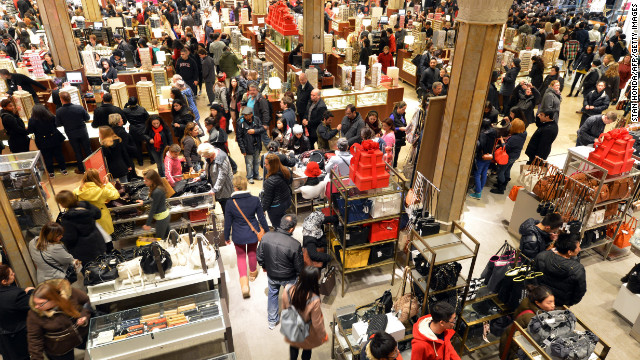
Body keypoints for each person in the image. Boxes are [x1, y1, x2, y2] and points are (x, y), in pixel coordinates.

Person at [224, 176, 269, 298]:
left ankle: (244, 286)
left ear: (235, 187)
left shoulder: (230, 202)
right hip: (253, 232)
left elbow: (227, 222)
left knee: (241, 256)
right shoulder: (255, 200)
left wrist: (226, 236)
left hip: (238, 234)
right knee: (252, 253)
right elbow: (261, 218)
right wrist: (267, 231)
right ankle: (253, 274)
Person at [257, 214, 304, 330]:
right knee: (291, 298)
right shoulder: (295, 245)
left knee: (272, 294)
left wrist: (264, 266)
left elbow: (260, 256)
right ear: (292, 228)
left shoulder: (266, 237)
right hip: (289, 276)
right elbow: (299, 267)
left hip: (272, 274)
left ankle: (272, 322)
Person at [27, 279, 92, 360]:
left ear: (54, 299)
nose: (36, 307)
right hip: (59, 349)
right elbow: (34, 340)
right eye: (35, 303)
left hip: (81, 336)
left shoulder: (71, 294)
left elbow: (86, 301)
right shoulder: (34, 314)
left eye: (40, 304)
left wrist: (84, 316)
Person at [282, 266, 328, 359]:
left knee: (293, 346)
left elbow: (284, 308)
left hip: (292, 326)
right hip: (307, 331)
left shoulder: (287, 289)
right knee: (307, 348)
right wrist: (323, 335)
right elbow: (317, 323)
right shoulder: (314, 300)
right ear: (313, 282)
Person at [499, 286, 555, 360]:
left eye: (553, 301)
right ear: (537, 303)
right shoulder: (531, 318)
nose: (553, 305)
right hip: (514, 349)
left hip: (510, 341)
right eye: (549, 303)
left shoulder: (528, 302)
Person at [533, 234, 586, 307]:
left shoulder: (542, 256)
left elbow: (533, 277)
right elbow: (580, 291)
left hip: (540, 298)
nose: (579, 249)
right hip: (560, 304)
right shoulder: (577, 269)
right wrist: (569, 303)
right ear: (569, 252)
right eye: (578, 247)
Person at [55, 190, 106, 265]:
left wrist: (60, 238)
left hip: (83, 250)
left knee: (91, 272)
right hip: (98, 242)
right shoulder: (85, 205)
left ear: (63, 203)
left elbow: (70, 238)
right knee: (104, 267)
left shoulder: (68, 218)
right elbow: (98, 214)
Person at [0, 264, 34, 360]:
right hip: (18, 336)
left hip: (3, 340)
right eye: (11, 274)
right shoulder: (16, 294)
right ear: (4, 281)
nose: (14, 274)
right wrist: (31, 292)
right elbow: (33, 306)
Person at [55, 92, 91, 173]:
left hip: (71, 133)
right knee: (88, 150)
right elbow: (87, 118)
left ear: (61, 100)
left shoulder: (59, 111)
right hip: (82, 132)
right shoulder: (79, 107)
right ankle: (91, 168)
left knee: (77, 152)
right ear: (70, 98)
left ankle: (81, 169)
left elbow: (58, 124)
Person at [28, 104, 67, 177]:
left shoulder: (32, 120)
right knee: (59, 155)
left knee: (47, 157)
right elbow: (56, 125)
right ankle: (63, 169)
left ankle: (51, 173)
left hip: (42, 141)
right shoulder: (51, 117)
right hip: (55, 138)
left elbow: (30, 130)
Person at [491, 119, 527, 194]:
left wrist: (502, 141)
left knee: (501, 171)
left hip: (508, 156)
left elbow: (506, 147)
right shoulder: (524, 133)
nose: (510, 125)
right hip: (515, 155)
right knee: (507, 170)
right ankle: (504, 185)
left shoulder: (514, 138)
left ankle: (500, 188)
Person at [197, 143, 234, 214]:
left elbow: (222, 176)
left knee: (226, 207)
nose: (204, 157)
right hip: (214, 185)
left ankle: (229, 223)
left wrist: (215, 189)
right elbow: (207, 169)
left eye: (205, 155)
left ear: (209, 153)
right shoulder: (208, 156)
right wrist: (201, 177)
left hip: (224, 187)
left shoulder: (221, 157)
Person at [135, 169, 171, 239]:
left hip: (162, 217)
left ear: (153, 180)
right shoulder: (158, 187)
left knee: (160, 239)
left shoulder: (156, 191)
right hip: (164, 215)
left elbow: (153, 208)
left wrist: (147, 224)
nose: (145, 182)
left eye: (146, 181)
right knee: (169, 236)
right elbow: (154, 200)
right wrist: (144, 202)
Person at [262, 154, 293, 229]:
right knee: (283, 219)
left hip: (276, 207)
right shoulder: (286, 170)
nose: (264, 165)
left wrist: (263, 209)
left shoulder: (269, 181)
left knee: (277, 226)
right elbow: (289, 182)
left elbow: (267, 199)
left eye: (266, 164)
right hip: (286, 200)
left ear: (272, 165)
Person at [469, 119, 496, 200]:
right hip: (489, 156)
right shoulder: (494, 132)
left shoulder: (483, 134)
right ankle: (479, 189)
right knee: (484, 173)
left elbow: (480, 146)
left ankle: (478, 193)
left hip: (482, 157)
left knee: (477, 174)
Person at [237, 106, 264, 184]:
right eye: (244, 115)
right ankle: (249, 177)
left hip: (257, 145)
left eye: (247, 115)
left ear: (251, 114)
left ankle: (256, 175)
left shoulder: (257, 120)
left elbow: (262, 129)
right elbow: (239, 137)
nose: (245, 117)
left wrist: (254, 131)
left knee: (257, 161)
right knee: (249, 163)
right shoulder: (240, 123)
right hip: (247, 146)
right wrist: (242, 149)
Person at [123, 96, 150, 166]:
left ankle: (140, 162)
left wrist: (125, 106)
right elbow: (148, 118)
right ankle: (152, 159)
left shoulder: (126, 111)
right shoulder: (142, 109)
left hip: (133, 129)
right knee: (148, 144)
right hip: (143, 128)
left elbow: (123, 115)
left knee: (137, 146)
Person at [390, 101, 407, 167]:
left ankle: (394, 166)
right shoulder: (392, 116)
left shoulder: (402, 114)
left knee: (397, 152)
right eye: (403, 109)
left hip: (401, 136)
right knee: (392, 152)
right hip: (395, 136)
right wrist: (399, 128)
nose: (404, 111)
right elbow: (390, 127)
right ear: (398, 108)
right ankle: (390, 166)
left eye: (405, 109)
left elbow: (404, 123)